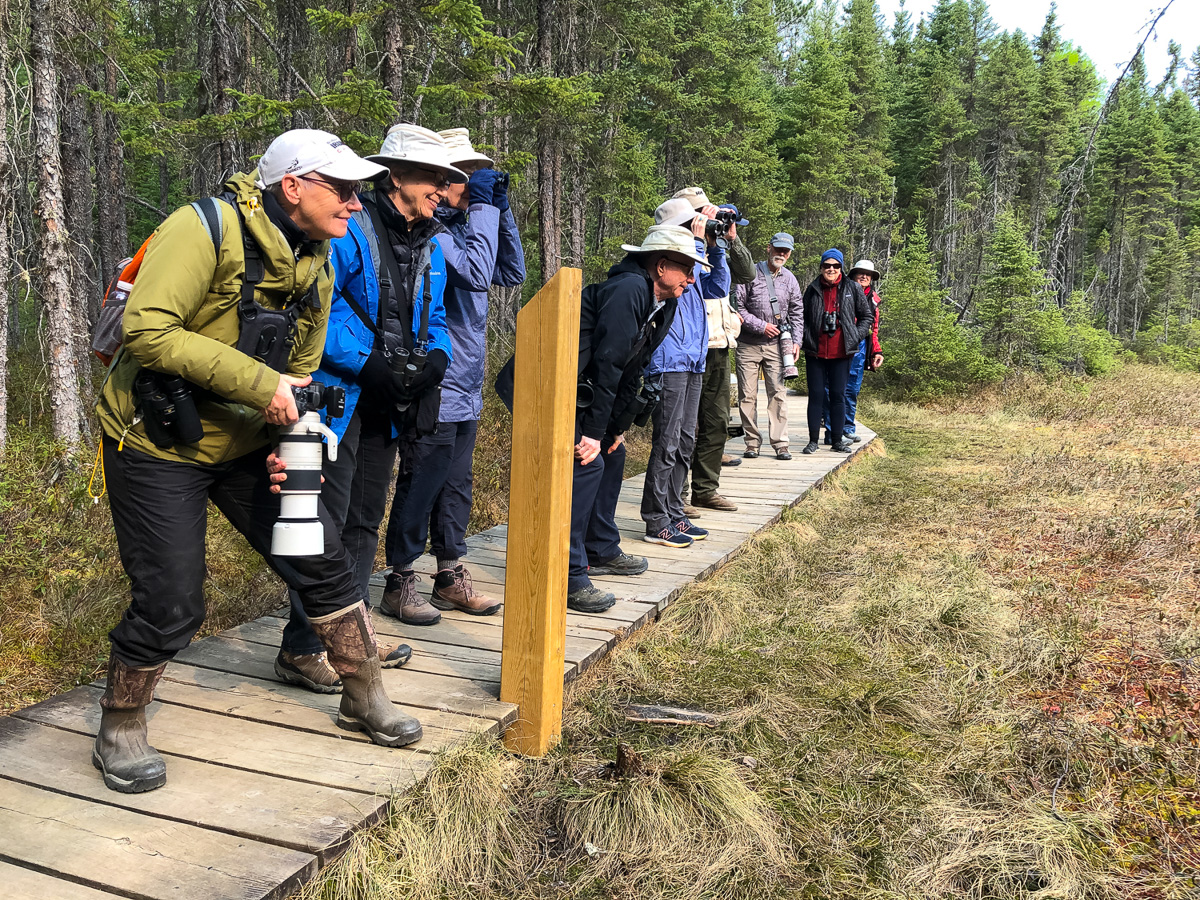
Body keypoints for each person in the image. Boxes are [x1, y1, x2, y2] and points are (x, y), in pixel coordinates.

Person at [93, 129, 421, 795]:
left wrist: (289, 446)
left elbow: (297, 375)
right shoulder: (201, 228)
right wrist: (260, 387)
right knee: (173, 599)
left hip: (249, 440)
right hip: (156, 444)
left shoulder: (317, 258)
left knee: (321, 558)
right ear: (293, 186)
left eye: (359, 191)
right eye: (344, 189)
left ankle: (363, 694)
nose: (357, 204)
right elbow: (147, 330)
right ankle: (121, 722)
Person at [272, 124, 458, 688]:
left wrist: (436, 361)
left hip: (386, 403)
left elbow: (437, 318)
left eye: (448, 180)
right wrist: (369, 362)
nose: (443, 190)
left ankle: (351, 641)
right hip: (333, 399)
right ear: (396, 177)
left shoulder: (429, 243)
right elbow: (319, 306)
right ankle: (302, 647)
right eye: (434, 177)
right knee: (318, 523)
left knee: (361, 521)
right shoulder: (351, 229)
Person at [387, 127, 525, 619]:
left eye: (477, 179)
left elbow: (511, 271)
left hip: (467, 381)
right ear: (442, 182)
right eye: (468, 177)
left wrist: (500, 210)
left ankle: (450, 573)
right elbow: (475, 272)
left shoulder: (468, 226)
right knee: (420, 480)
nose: (472, 186)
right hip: (435, 379)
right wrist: (486, 209)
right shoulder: (434, 233)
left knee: (457, 484)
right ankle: (400, 579)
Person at [568, 225, 706, 611]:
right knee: (585, 466)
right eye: (687, 268)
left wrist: (613, 430)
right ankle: (570, 573)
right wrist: (593, 433)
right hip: (552, 388)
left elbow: (635, 369)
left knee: (614, 455)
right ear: (661, 266)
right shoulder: (629, 289)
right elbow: (608, 363)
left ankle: (600, 549)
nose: (692, 279)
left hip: (584, 392)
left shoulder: (665, 301)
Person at [640, 196, 730, 548]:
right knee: (667, 442)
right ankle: (656, 518)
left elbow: (718, 287)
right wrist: (694, 241)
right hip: (669, 360)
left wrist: (716, 246)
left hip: (693, 359)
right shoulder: (665, 263)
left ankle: (675, 511)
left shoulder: (692, 261)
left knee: (685, 442)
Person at [689, 199, 755, 513]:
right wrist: (700, 236)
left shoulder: (721, 247)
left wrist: (730, 237)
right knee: (686, 426)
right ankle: (673, 496)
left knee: (717, 423)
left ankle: (705, 490)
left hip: (719, 346)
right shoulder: (687, 243)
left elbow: (747, 273)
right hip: (692, 347)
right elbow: (700, 283)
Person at [734, 232, 804, 461]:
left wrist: (796, 341)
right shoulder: (750, 273)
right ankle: (751, 443)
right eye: (778, 249)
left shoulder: (791, 279)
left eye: (785, 251)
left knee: (778, 394)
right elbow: (738, 307)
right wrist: (761, 326)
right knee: (747, 396)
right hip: (748, 344)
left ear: (790, 253)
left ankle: (781, 444)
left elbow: (797, 313)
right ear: (769, 248)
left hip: (777, 346)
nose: (781, 254)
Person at [798, 249, 874, 455]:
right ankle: (813, 440)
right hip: (816, 351)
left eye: (836, 266)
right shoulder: (813, 289)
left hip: (842, 352)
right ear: (821, 267)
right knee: (816, 396)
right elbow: (801, 317)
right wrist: (806, 337)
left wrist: (854, 335)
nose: (831, 269)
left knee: (839, 395)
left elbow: (867, 316)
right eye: (827, 266)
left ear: (841, 267)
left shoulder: (852, 288)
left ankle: (837, 440)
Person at [822, 258, 883, 443]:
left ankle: (847, 428)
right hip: (837, 343)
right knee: (831, 388)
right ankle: (832, 431)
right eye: (860, 273)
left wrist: (876, 351)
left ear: (871, 278)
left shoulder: (873, 300)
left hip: (860, 346)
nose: (864, 276)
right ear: (853, 275)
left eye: (868, 274)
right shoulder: (841, 292)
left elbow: (874, 329)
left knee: (851, 389)